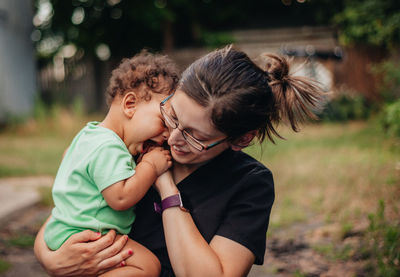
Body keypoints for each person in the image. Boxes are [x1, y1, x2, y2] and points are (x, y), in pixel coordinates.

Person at [34, 45, 324, 276]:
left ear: (241, 139)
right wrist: (51, 258)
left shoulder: (250, 183)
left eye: (195, 136)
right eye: (172, 116)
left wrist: (166, 188)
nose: (172, 138)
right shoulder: (133, 145)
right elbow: (68, 212)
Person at [41, 51, 180, 276]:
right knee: (148, 266)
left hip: (65, 230)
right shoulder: (109, 146)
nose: (167, 134)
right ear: (130, 104)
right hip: (84, 234)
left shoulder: (89, 134)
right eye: (164, 121)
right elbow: (121, 198)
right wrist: (150, 166)